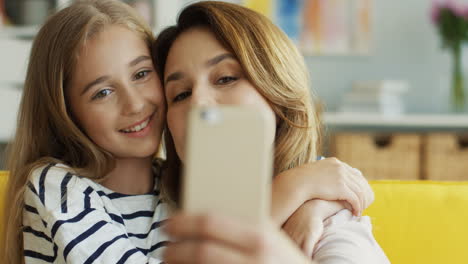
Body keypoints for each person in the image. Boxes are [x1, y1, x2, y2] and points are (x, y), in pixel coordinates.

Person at [1, 0, 372, 263]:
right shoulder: (58, 186)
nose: (134, 104)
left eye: (142, 74)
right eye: (102, 92)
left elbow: (344, 193)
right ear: (66, 112)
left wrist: (316, 203)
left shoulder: (178, 189)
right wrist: (293, 192)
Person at [153, 1, 390, 263]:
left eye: (226, 78)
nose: (198, 104)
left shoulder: (329, 223)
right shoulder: (148, 206)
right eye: (181, 94)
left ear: (276, 94)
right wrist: (289, 190)